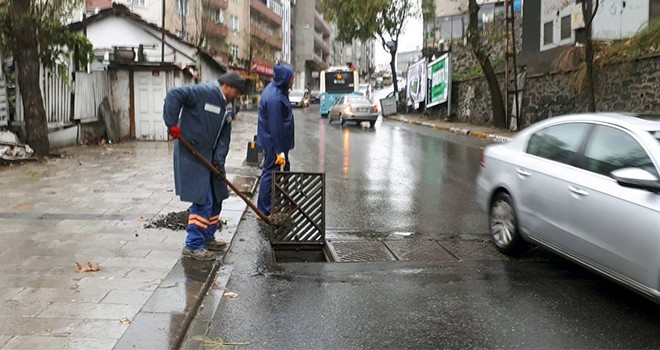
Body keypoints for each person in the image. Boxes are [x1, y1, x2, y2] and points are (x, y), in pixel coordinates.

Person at [163, 72, 246, 260]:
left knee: (218, 197)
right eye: (237, 92)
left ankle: (208, 237)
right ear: (228, 86)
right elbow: (174, 94)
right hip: (193, 154)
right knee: (203, 200)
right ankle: (193, 245)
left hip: (211, 159)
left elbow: (224, 137)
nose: (238, 96)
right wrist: (171, 124)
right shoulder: (204, 92)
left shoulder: (228, 106)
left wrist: (219, 162)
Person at [257, 63, 295, 218]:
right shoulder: (275, 98)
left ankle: (276, 204)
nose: (293, 81)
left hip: (274, 142)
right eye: (291, 78)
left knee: (277, 172)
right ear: (285, 78)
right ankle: (264, 210)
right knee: (271, 172)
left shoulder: (277, 90)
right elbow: (275, 126)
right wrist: (279, 151)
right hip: (274, 144)